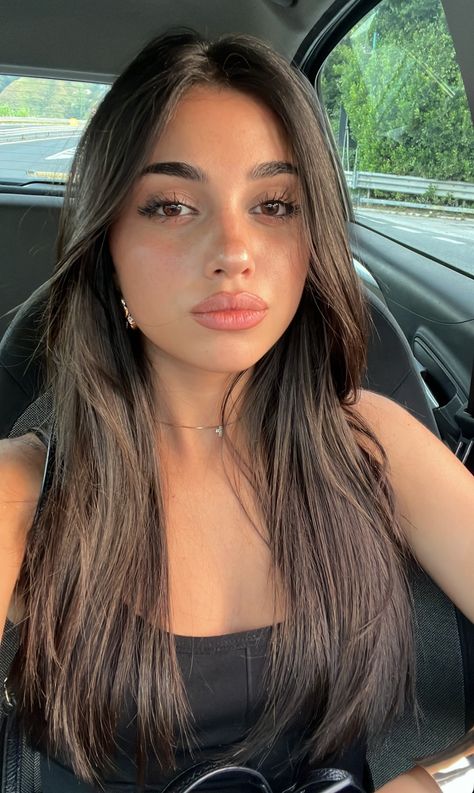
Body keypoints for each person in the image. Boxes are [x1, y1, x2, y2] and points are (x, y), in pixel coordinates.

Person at [0, 31, 472, 793]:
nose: (234, 249)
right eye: (172, 205)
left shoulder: (373, 443)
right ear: (107, 244)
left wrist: (431, 781)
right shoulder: (20, 493)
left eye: (274, 204)